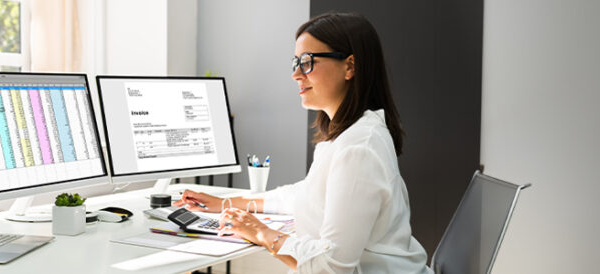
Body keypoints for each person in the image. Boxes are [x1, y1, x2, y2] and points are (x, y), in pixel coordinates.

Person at [173, 12, 431, 273]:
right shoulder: (346, 135)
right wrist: (228, 203)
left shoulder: (360, 146)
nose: (296, 74)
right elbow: (305, 195)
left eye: (307, 62)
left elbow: (330, 267)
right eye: (295, 62)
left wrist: (261, 233)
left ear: (350, 66)